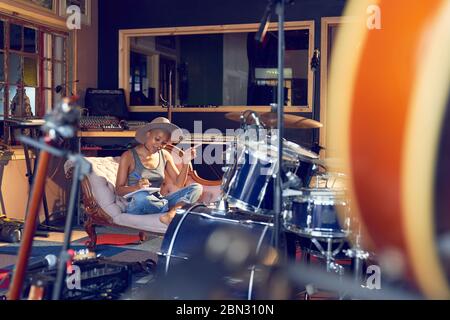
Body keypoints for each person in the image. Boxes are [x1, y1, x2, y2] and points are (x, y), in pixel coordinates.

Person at [115, 117, 202, 225]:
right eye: (157, 139)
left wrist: (185, 162)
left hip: (159, 200)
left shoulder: (165, 155)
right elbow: (118, 190)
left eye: (164, 143)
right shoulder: (128, 156)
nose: (159, 145)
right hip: (138, 203)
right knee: (141, 198)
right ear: (148, 134)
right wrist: (137, 187)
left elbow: (179, 184)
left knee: (196, 188)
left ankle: (172, 213)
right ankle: (174, 209)